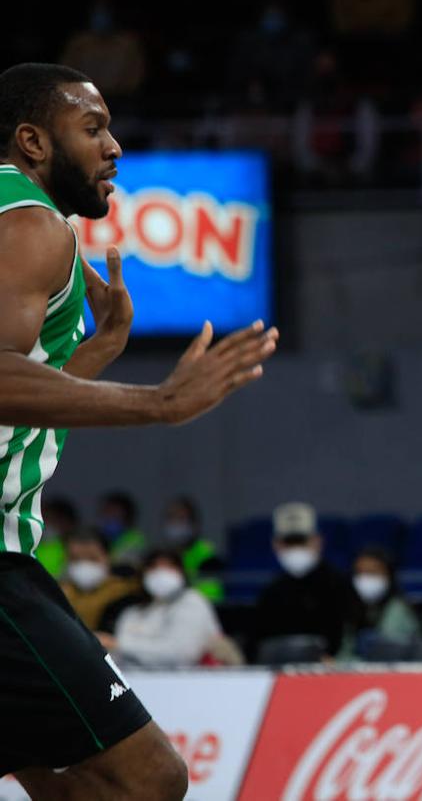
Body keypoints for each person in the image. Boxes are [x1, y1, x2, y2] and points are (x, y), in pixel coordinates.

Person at [0, 62, 277, 798]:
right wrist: (160, 403)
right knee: (147, 778)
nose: (113, 146)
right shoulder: (31, 224)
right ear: (32, 140)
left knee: (69, 778)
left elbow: (16, 404)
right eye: (92, 128)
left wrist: (94, 352)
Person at [250, 501, 361, 660]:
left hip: (331, 674)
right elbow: (258, 641)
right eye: (289, 543)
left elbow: (351, 635)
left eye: (301, 541)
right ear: (276, 545)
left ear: (317, 540)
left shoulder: (339, 585)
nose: (296, 549)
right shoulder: (271, 592)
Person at [103, 549, 223, 668]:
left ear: (181, 572)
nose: (161, 573)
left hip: (191, 682)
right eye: (153, 567)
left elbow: (181, 654)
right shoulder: (132, 613)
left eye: (169, 567)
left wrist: (120, 645)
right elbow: (118, 659)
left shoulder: (193, 602)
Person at [339, 545, 422, 661]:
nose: (365, 578)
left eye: (372, 572)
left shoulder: (398, 609)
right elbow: (345, 652)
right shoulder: (352, 608)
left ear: (388, 574)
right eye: (360, 572)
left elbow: (388, 655)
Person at [60, 527, 139, 632]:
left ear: (108, 557)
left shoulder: (126, 593)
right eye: (76, 559)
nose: (84, 565)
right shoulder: (57, 592)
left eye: (92, 558)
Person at [160, 495, 224, 602]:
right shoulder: (162, 555)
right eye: (171, 518)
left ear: (194, 524)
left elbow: (211, 595)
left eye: (181, 519)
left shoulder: (207, 555)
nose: (176, 524)